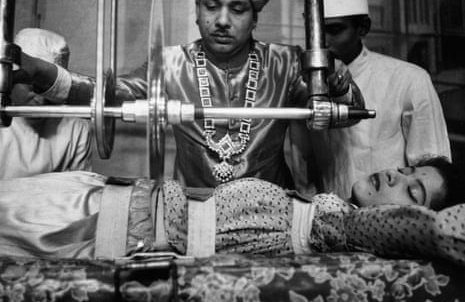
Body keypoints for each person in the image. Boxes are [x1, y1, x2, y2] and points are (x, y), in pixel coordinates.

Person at [15, 0, 364, 189]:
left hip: (272, 215)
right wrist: (40, 72)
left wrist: (337, 85)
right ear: (197, 9)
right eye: (212, 6)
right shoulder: (170, 63)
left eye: (238, 9)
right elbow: (104, 95)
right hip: (191, 216)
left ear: (256, 16)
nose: (222, 21)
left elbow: (339, 111)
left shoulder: (286, 62)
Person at [0, 155, 463, 268]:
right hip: (101, 198)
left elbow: (441, 232)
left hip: (91, 228)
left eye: (414, 191)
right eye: (406, 168)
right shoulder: (323, 206)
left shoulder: (345, 229)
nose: (396, 176)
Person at [305, 0, 451, 199]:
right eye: (315, 30)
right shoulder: (303, 84)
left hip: (388, 225)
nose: (323, 41)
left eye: (335, 30)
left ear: (363, 27)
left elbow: (431, 176)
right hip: (328, 221)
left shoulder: (409, 80)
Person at [0, 28, 92, 179]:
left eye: (49, 90)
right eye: (31, 87)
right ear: (11, 79)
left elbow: (77, 192)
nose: (41, 99)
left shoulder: (77, 129)